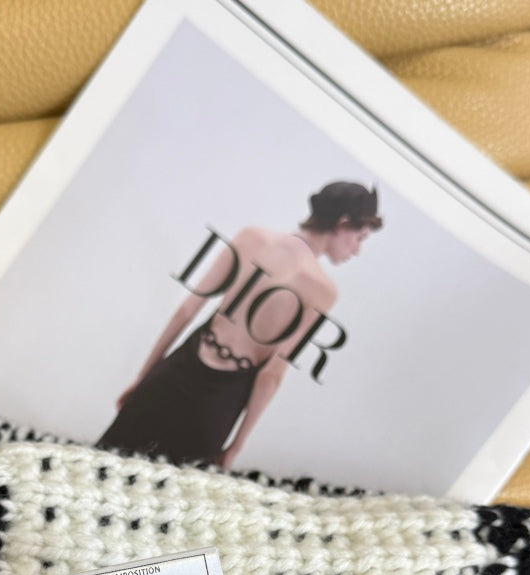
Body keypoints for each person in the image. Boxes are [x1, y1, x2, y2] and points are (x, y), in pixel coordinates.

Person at [96, 181, 381, 468]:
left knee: (104, 466)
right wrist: (235, 446)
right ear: (343, 223)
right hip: (220, 403)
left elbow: (186, 311)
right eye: (360, 237)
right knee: (175, 489)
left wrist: (144, 378)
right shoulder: (322, 290)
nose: (357, 250)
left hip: (176, 372)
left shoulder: (252, 237)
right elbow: (271, 375)